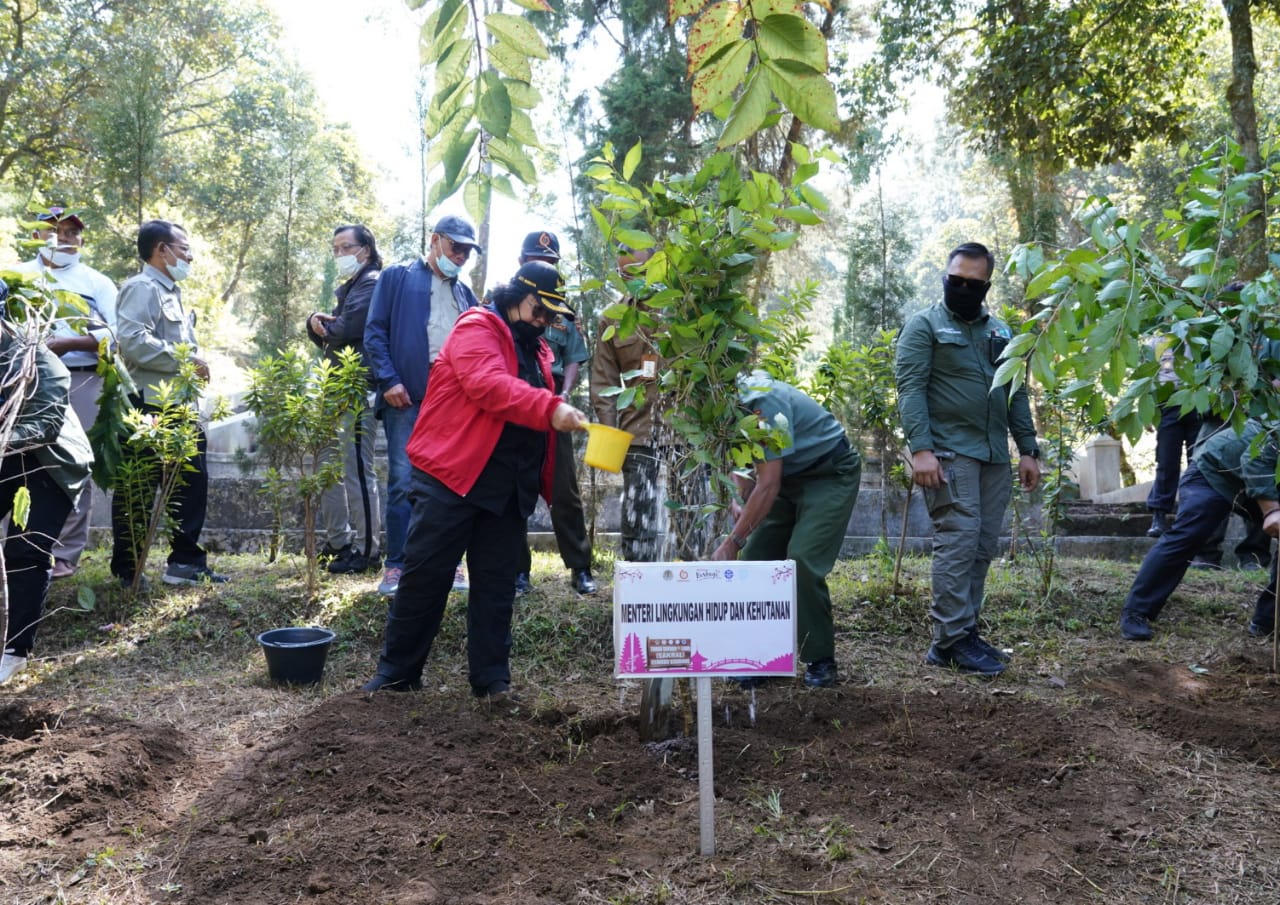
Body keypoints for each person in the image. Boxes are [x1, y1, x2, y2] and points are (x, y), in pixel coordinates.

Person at [362, 261, 588, 696]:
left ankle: (492, 682)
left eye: (551, 316)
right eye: (540, 311)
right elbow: (488, 385)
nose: (544, 323)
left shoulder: (537, 349)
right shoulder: (477, 327)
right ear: (516, 296)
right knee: (426, 578)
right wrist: (550, 407)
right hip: (453, 477)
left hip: (506, 487)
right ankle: (396, 676)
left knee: (497, 586)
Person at [895, 241, 1040, 677]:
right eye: (954, 280)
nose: (961, 287)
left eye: (971, 283)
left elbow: (1014, 392)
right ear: (945, 276)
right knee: (957, 541)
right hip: (949, 453)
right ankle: (950, 640)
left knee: (980, 547)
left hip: (994, 454)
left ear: (986, 285)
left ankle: (964, 632)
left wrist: (1028, 448)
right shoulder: (924, 327)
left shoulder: (1001, 332)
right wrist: (920, 449)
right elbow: (911, 389)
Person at [709, 370, 861, 689]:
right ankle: (766, 657)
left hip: (828, 473)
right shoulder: (724, 407)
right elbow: (745, 457)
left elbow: (768, 483)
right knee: (756, 562)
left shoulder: (762, 403)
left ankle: (820, 659)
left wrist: (734, 540)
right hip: (786, 480)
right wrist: (739, 495)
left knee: (801, 560)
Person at [364, 214, 480, 597]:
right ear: (435, 241)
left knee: (454, 483)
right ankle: (397, 565)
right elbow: (375, 331)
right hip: (407, 394)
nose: (460, 256)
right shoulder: (397, 277)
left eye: (466, 251)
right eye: (455, 247)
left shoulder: (466, 296)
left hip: (453, 402)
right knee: (402, 480)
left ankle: (451, 564)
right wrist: (389, 380)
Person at [110, 219, 227, 587]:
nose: (189, 256)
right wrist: (185, 359)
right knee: (139, 488)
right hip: (151, 407)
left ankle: (185, 563)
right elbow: (132, 340)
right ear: (162, 250)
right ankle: (128, 569)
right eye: (184, 248)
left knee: (190, 484)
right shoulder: (142, 288)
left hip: (181, 407)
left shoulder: (170, 291)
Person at [13, 205, 117, 580]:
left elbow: (114, 337)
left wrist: (70, 342)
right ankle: (18, 549)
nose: (62, 239)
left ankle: (65, 553)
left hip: (80, 379)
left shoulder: (97, 283)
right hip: (22, 379)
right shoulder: (16, 277)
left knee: (72, 462)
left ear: (82, 240)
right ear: (37, 235)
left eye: (71, 233)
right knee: (16, 459)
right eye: (53, 231)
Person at [0, 277, 94, 684]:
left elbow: (46, 423)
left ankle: (14, 650)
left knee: (24, 548)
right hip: (7, 458)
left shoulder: (36, 360)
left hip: (50, 462)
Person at [1120, 418, 1279, 641]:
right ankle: (1136, 612)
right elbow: (1255, 459)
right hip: (1213, 470)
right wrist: (1271, 510)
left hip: (1247, 485)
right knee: (1188, 535)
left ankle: (1267, 622)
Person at [511, 230, 596, 597]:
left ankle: (580, 568)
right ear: (521, 264)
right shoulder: (504, 305)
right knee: (514, 491)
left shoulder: (564, 311)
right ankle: (517, 573)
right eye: (538, 262)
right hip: (515, 408)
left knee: (564, 490)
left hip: (554, 408)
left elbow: (575, 356)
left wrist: (563, 394)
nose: (545, 268)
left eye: (551, 264)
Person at [305, 224, 382, 575]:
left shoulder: (371, 282)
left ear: (365, 249)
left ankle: (367, 550)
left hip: (356, 387)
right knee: (328, 466)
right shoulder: (351, 287)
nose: (339, 255)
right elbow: (331, 333)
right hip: (334, 385)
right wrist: (315, 323)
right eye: (334, 249)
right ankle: (339, 543)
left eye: (345, 247)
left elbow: (344, 330)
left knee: (355, 470)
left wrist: (320, 324)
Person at [590, 246, 663, 562]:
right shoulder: (612, 319)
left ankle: (695, 587)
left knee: (691, 515)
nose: (633, 281)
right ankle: (638, 588)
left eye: (639, 272)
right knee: (638, 519)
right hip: (639, 430)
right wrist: (610, 443)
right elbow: (603, 385)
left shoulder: (683, 308)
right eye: (625, 275)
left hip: (688, 431)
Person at [1144, 336, 1200, 538]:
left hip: (1197, 400)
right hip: (1167, 403)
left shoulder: (1200, 334)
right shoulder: (1154, 341)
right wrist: (1147, 412)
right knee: (1166, 461)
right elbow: (1147, 378)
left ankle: (1191, 515)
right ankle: (1159, 515)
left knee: (1198, 462)